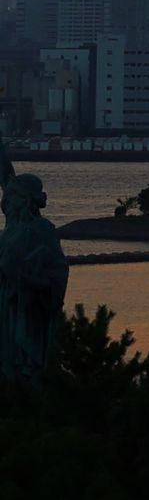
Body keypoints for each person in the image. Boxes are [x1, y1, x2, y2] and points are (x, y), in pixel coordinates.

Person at [0, 141, 69, 389]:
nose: (6, 203)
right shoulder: (11, 230)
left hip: (28, 311)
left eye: (12, 198)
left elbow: (58, 273)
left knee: (24, 367)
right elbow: (6, 176)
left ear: (26, 200)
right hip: (6, 306)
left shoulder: (41, 230)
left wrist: (27, 279)